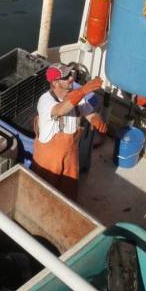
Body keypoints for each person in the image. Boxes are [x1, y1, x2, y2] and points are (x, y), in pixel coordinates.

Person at [33, 64, 107, 201]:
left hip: (71, 156)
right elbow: (61, 110)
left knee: (69, 194)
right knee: (42, 195)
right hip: (49, 160)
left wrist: (97, 120)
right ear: (55, 82)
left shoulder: (78, 97)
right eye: (66, 77)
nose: (71, 79)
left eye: (71, 75)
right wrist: (83, 90)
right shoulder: (45, 100)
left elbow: (90, 113)